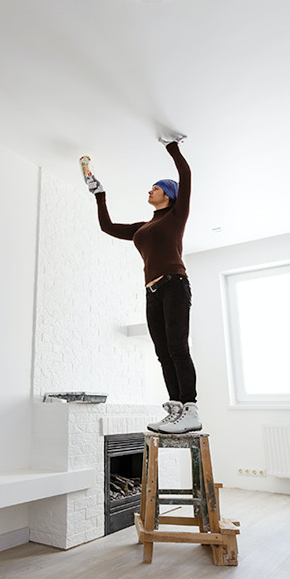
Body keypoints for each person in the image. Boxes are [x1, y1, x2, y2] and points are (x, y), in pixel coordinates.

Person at [81, 137, 200, 434]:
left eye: (155, 188)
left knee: (178, 347)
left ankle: (191, 409)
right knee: (163, 352)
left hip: (175, 285)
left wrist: (172, 146)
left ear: (168, 194)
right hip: (152, 292)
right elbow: (107, 227)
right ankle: (176, 408)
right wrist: (100, 195)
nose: (150, 190)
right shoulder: (143, 228)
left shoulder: (176, 215)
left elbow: (186, 175)